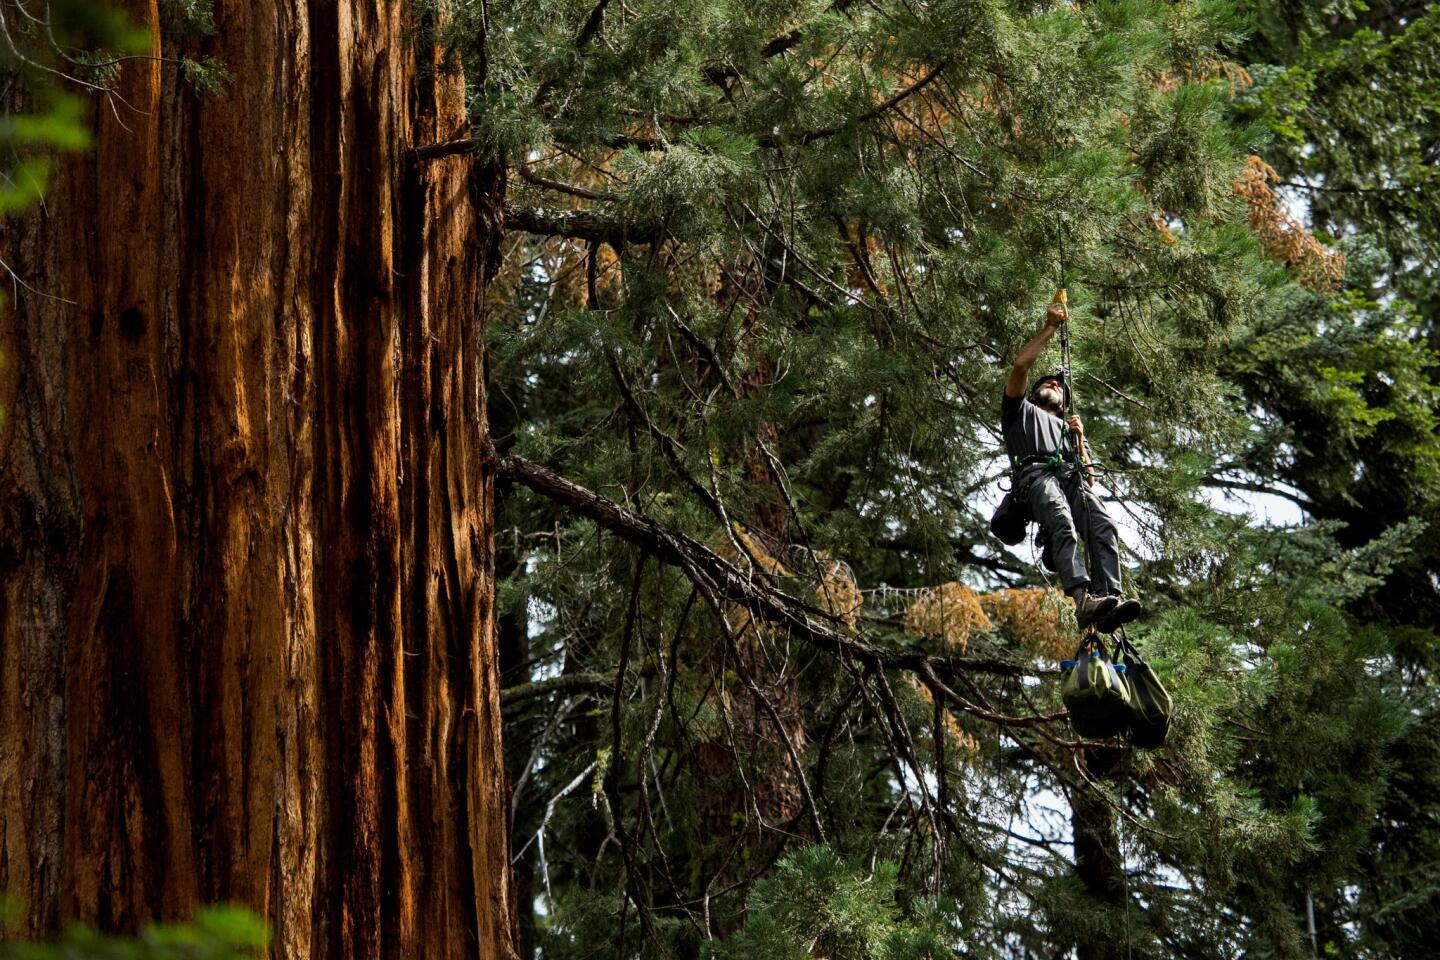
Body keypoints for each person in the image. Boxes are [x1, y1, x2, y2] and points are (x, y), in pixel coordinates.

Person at [1002, 297, 1142, 632]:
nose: (1054, 384)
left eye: (1060, 387)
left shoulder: (1069, 429)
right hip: (1035, 476)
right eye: (1047, 382)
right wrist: (1050, 327)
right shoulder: (1019, 411)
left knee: (1103, 524)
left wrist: (1079, 441)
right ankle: (1082, 601)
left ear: (1065, 404)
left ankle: (1110, 598)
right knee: (1062, 521)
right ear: (1035, 393)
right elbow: (1021, 366)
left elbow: (1090, 481)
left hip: (1069, 476)